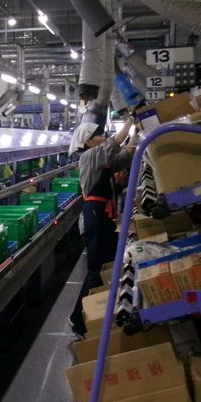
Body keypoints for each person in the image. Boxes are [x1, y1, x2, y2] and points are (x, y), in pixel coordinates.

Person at [68, 120, 135, 339]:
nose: (102, 137)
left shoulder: (102, 161)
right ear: (87, 142)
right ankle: (78, 320)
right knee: (96, 269)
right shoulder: (89, 157)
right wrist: (130, 121)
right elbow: (114, 144)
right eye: (97, 135)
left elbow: (123, 156)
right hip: (94, 217)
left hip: (103, 217)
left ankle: (94, 315)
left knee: (107, 263)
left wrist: (138, 135)